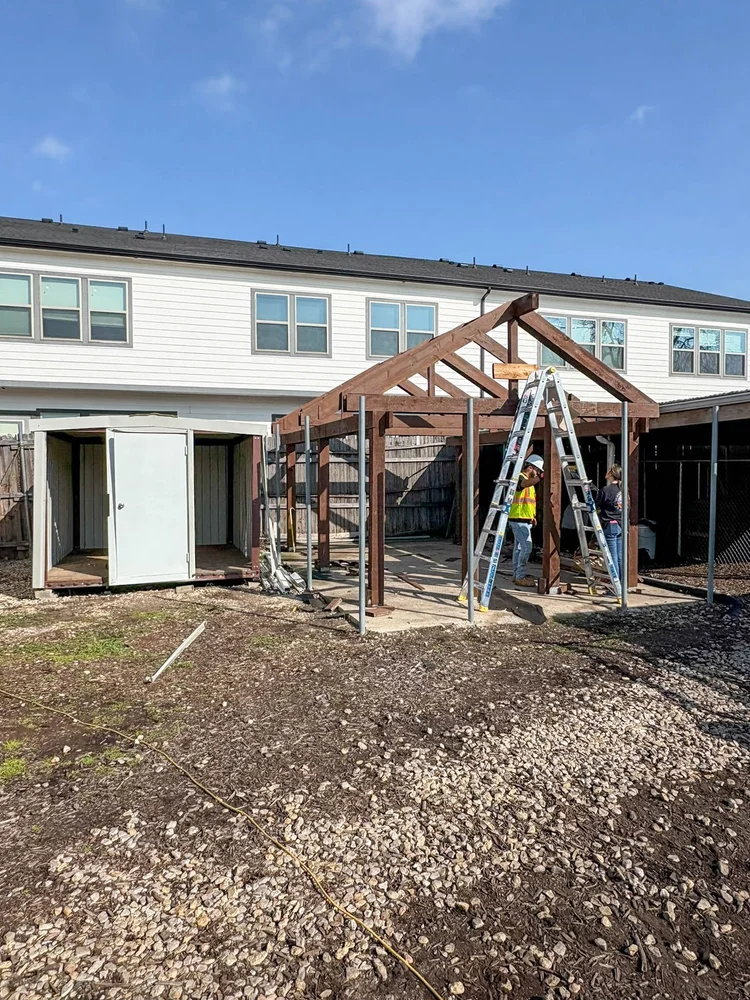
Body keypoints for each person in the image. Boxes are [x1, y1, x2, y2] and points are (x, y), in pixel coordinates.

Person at [508, 454, 544, 587]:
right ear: (530, 468)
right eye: (538, 471)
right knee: (526, 548)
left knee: (519, 549)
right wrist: (539, 478)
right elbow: (522, 485)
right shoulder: (520, 478)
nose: (538, 473)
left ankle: (516, 575)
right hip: (518, 519)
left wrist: (532, 516)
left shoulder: (530, 483)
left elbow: (528, 502)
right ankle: (520, 576)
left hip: (524, 519)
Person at [596, 465, 623, 582]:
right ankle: (622, 584)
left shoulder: (605, 490)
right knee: (620, 557)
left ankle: (615, 585)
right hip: (621, 524)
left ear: (611, 474)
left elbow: (595, 506)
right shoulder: (623, 489)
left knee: (612, 557)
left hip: (610, 525)